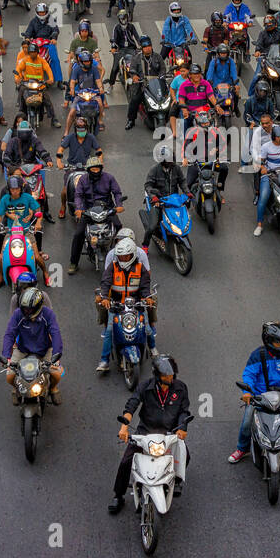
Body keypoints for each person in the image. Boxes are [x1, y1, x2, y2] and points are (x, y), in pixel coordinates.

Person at [111, 355, 191, 513]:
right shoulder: (145, 387)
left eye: (172, 375)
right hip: (145, 432)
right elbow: (132, 404)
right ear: (158, 377)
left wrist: (182, 427)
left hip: (170, 433)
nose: (171, 378)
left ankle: (175, 480)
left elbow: (184, 411)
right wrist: (124, 427)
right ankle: (118, 495)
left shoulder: (180, 388)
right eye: (167, 376)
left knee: (185, 455)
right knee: (126, 462)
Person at [228, 323, 280, 468]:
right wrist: (247, 392)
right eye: (278, 342)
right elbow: (248, 375)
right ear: (268, 341)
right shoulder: (258, 355)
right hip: (260, 398)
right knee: (247, 423)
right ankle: (242, 449)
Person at [96, 238, 157, 372]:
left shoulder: (140, 268)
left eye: (125, 256)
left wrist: (146, 298)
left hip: (136, 304)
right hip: (117, 305)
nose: (122, 258)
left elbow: (145, 286)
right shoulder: (113, 266)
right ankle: (104, 360)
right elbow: (105, 282)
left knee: (147, 328)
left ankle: (153, 349)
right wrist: (105, 297)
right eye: (120, 256)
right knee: (109, 331)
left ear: (132, 255)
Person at [2, 287, 64, 402]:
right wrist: (7, 357)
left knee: (56, 374)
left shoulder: (48, 314)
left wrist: (56, 356)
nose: (26, 312)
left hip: (45, 349)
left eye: (29, 309)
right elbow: (9, 334)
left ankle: (53, 388)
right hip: (23, 349)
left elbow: (56, 334)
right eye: (24, 309)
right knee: (10, 376)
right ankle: (17, 389)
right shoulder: (18, 314)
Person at [69, 156, 124, 272]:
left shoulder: (109, 178)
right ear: (88, 170)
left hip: (107, 208)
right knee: (78, 234)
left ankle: (121, 256)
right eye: (93, 169)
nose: (95, 171)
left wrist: (119, 205)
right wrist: (79, 209)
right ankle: (74, 262)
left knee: (119, 228)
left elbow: (117, 192)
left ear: (101, 168)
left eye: (97, 169)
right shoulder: (83, 180)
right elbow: (78, 195)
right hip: (88, 210)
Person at [14, 40, 60, 128]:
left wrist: (50, 79)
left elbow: (48, 69)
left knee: (47, 100)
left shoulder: (41, 61)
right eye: (30, 52)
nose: (32, 54)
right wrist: (17, 78)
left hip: (39, 85)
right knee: (21, 92)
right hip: (27, 84)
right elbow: (18, 69)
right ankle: (20, 115)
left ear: (37, 52)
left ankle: (54, 119)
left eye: (34, 52)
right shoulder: (25, 60)